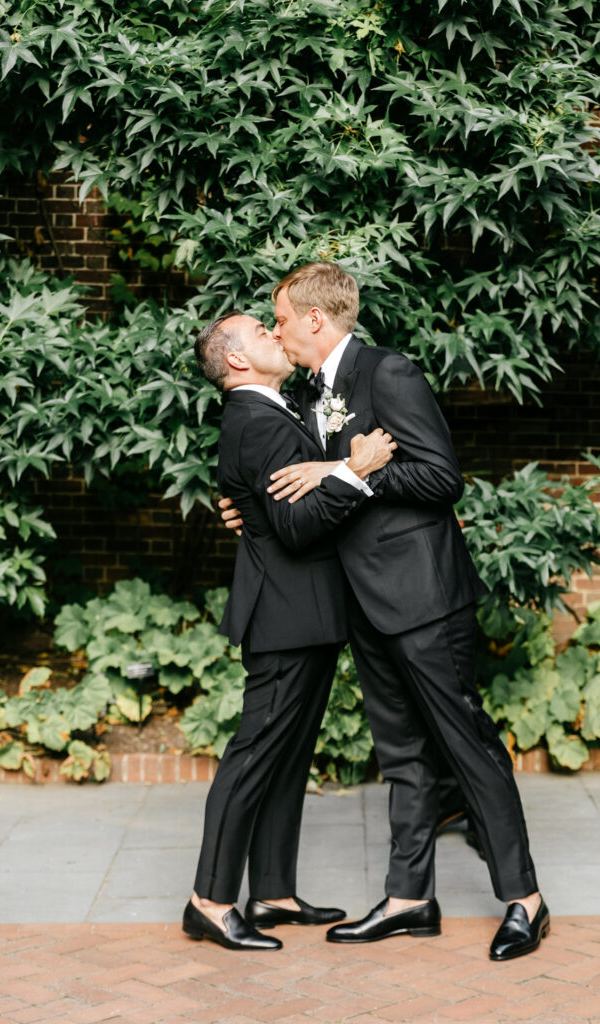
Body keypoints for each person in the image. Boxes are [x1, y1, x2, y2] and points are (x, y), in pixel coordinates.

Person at [221, 263, 549, 961]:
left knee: (466, 743)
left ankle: (524, 899)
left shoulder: (386, 372)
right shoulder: (311, 391)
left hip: (423, 598)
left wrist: (353, 474)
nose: (275, 329)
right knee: (399, 752)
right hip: (361, 602)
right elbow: (298, 480)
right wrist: (251, 504)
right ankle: (409, 899)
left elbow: (439, 476)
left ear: (314, 319)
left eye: (279, 317)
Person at [184, 310, 396, 951]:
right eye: (262, 333)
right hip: (284, 615)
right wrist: (356, 472)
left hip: (304, 612)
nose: (278, 336)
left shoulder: (276, 410)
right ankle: (210, 900)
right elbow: (297, 527)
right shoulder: (256, 423)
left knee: (286, 758)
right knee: (253, 757)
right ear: (239, 361)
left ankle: (272, 891)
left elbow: (270, 507)